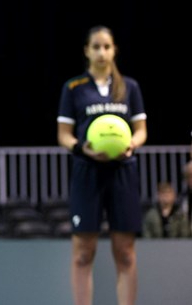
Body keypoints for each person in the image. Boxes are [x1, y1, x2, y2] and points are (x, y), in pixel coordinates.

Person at [57, 25, 147, 305]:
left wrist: (132, 143)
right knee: (83, 252)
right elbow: (63, 136)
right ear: (87, 51)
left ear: (114, 50)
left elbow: (142, 130)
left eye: (106, 46)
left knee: (126, 252)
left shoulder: (129, 87)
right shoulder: (73, 88)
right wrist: (80, 148)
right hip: (87, 173)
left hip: (123, 173)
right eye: (96, 47)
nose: (101, 52)